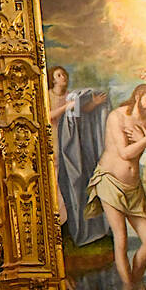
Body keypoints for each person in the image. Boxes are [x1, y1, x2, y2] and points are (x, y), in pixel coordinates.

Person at [85, 83, 146, 290]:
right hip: (110, 181)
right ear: (137, 96)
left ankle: (134, 282)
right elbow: (125, 153)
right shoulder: (117, 116)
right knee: (121, 238)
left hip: (134, 187)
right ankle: (129, 289)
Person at [47, 66, 108, 243]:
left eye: (64, 74)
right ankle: (60, 226)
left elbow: (80, 112)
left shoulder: (72, 96)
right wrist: (67, 106)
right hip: (54, 142)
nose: (63, 77)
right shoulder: (47, 96)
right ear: (53, 79)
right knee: (56, 185)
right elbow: (47, 116)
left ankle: (76, 224)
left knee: (75, 181)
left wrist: (94, 104)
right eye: (59, 75)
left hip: (70, 144)